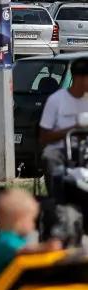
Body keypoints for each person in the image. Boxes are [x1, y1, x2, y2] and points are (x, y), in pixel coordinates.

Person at [0, 188, 62, 280]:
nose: (33, 225)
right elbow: (21, 251)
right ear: (19, 220)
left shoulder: (9, 239)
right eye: (32, 220)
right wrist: (44, 248)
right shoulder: (5, 241)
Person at [38, 57, 88, 190]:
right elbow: (44, 137)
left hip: (86, 149)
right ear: (78, 78)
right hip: (60, 149)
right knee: (49, 156)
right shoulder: (56, 100)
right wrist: (74, 129)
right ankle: (56, 197)